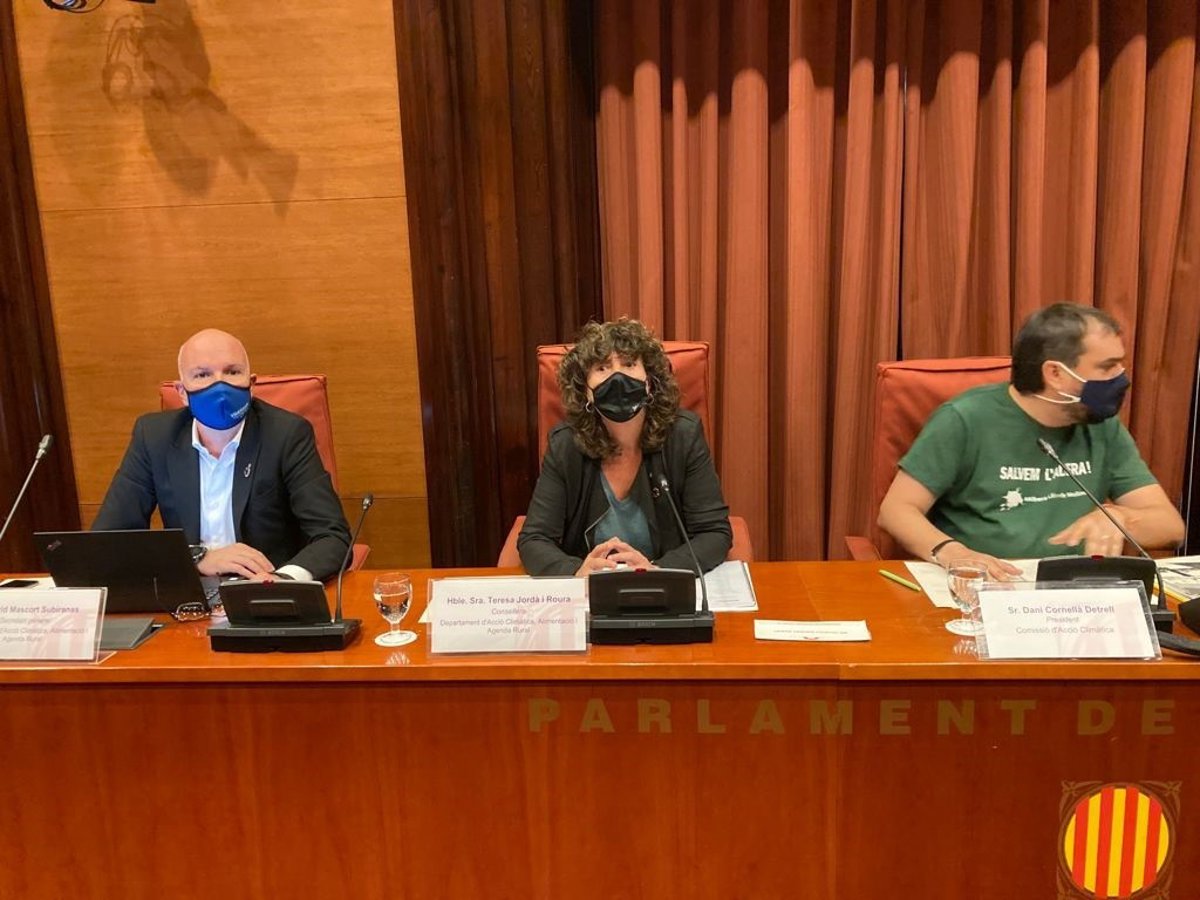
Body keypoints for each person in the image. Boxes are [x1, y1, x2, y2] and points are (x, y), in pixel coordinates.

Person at [878, 302, 1185, 579]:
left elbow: (1171, 526)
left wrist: (1120, 518)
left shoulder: (1101, 425)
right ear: (1055, 374)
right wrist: (953, 552)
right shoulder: (964, 418)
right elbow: (896, 511)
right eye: (1107, 366)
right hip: (988, 585)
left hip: (1077, 591)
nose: (1122, 376)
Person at [93, 329, 351, 582]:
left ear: (251, 384)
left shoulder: (286, 434)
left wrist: (282, 579)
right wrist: (197, 557)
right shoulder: (154, 437)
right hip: (190, 590)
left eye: (232, 372)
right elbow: (107, 541)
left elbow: (334, 537)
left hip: (264, 590)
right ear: (182, 392)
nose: (220, 385)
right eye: (202, 374)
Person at [518, 319, 732, 576]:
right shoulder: (566, 445)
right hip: (590, 588)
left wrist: (659, 571)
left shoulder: (683, 436)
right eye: (602, 368)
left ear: (649, 382)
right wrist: (576, 572)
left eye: (629, 364)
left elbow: (714, 532)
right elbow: (534, 539)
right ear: (585, 391)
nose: (617, 378)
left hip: (658, 585)